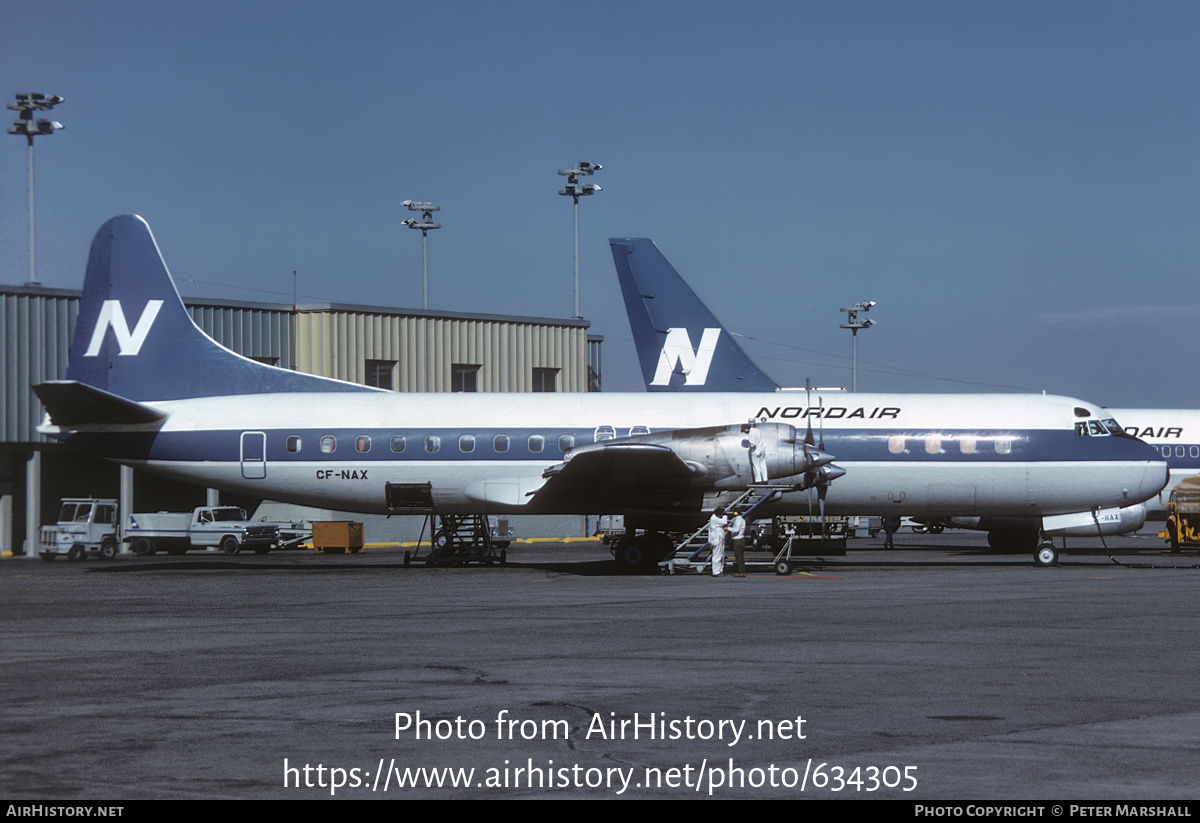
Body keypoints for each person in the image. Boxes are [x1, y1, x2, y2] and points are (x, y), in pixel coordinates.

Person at [708, 506, 728, 576]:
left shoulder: (715, 518)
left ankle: (719, 570)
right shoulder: (714, 518)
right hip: (716, 540)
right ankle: (716, 571)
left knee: (720, 555)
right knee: (717, 555)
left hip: (719, 539)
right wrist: (725, 516)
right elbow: (724, 522)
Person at [728, 511, 747, 577]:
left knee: (738, 557)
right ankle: (743, 571)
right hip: (742, 539)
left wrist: (728, 528)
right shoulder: (742, 520)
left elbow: (736, 530)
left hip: (737, 540)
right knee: (741, 556)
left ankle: (740, 572)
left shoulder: (737, 520)